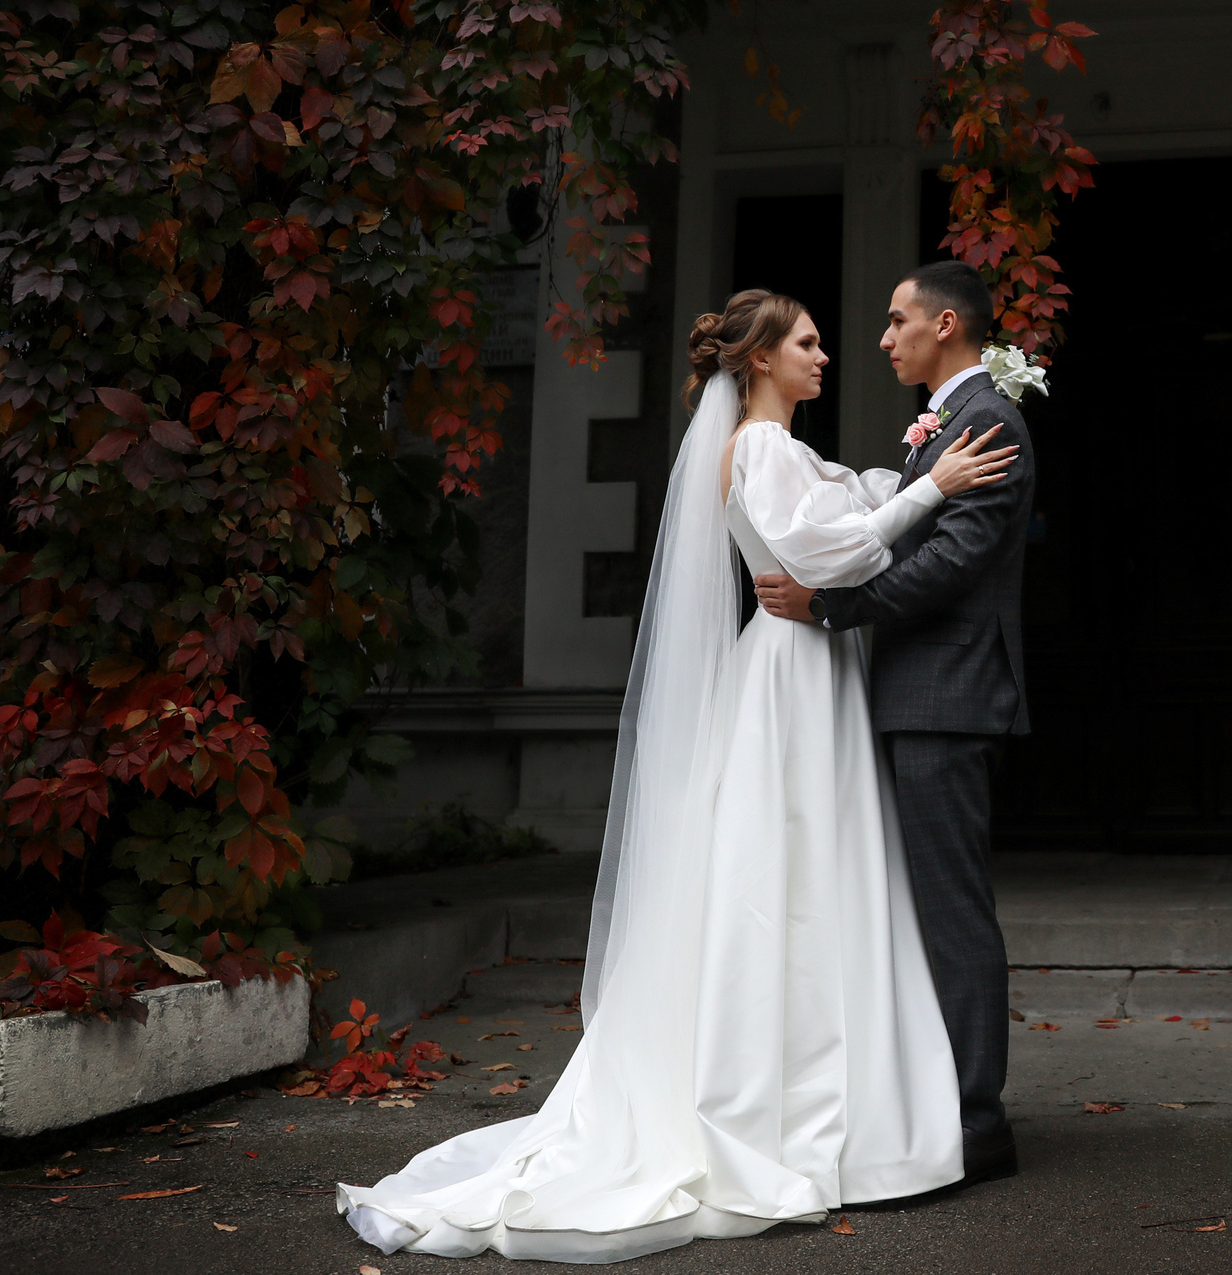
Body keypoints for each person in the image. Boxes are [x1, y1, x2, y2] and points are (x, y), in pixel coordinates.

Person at [337, 288, 1018, 1261]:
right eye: (810, 343)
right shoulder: (760, 447)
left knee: (811, 881)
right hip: (794, 672)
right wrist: (932, 490)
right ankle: (785, 1100)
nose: (828, 356)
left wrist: (912, 474)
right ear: (761, 359)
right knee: (786, 875)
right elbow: (830, 548)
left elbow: (853, 495)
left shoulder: (784, 450)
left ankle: (840, 1092)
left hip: (806, 666)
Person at [753, 260, 1036, 1194]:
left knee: (950, 910)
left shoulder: (987, 420)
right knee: (924, 907)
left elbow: (951, 562)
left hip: (945, 696)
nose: (881, 337)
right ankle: (937, 1101)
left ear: (944, 325)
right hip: (916, 692)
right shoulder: (947, 424)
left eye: (895, 320)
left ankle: (975, 1119)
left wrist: (833, 608)